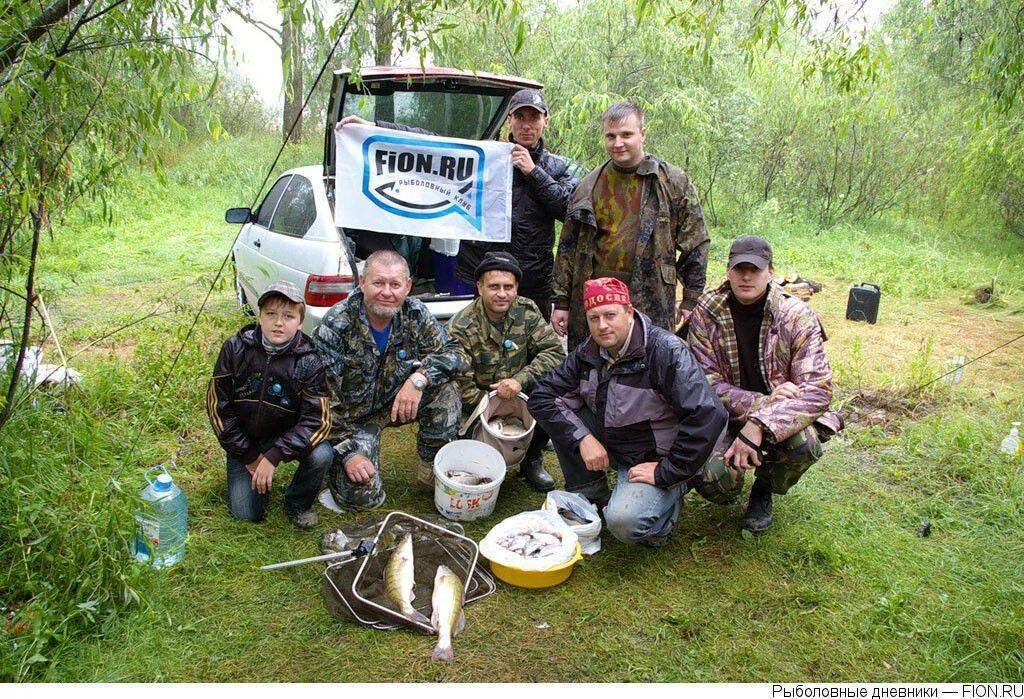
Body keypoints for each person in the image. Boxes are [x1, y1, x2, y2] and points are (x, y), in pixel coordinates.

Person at [335, 88, 578, 319]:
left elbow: (568, 210)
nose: (527, 125)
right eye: (520, 116)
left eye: (534, 117)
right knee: (484, 343)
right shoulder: (487, 155)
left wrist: (533, 171)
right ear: (509, 120)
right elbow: (432, 145)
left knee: (533, 346)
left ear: (545, 120)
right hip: (487, 275)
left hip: (533, 279)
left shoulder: (559, 167)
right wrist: (373, 128)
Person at [528, 278, 727, 546]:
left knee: (624, 524)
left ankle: (673, 498)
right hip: (616, 438)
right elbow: (542, 396)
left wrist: (667, 471)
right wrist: (583, 439)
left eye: (610, 315)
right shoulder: (588, 351)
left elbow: (708, 416)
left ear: (629, 312)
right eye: (593, 317)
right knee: (561, 414)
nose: (602, 325)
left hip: (659, 454)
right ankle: (591, 495)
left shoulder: (665, 351)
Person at [685, 236, 843, 534]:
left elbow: (818, 390)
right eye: (739, 268)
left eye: (755, 269)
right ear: (728, 271)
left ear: (770, 271)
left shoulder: (795, 315)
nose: (746, 276)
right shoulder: (707, 310)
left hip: (778, 419)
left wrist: (760, 424)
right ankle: (729, 476)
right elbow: (704, 383)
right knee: (713, 481)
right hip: (724, 415)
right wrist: (763, 402)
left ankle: (765, 488)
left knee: (804, 446)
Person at [312, 250, 465, 509]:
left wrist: (419, 378)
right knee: (362, 500)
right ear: (362, 283)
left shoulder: (415, 314)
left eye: (395, 284)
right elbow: (321, 399)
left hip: (395, 403)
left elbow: (456, 354)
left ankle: (432, 464)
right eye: (378, 283)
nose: (387, 292)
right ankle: (335, 465)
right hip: (352, 420)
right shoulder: (337, 324)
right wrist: (348, 453)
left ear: (407, 287)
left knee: (445, 389)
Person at [550, 101, 709, 348]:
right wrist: (561, 302)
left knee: (651, 362)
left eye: (626, 135)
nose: (618, 143)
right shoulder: (589, 186)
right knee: (593, 368)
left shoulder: (671, 182)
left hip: (651, 295)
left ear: (643, 134)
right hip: (597, 299)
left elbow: (696, 242)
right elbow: (568, 249)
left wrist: (690, 298)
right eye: (610, 136)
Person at [207, 281, 333, 528]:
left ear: (299, 322)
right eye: (271, 314)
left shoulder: (309, 361)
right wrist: (248, 455)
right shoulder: (234, 349)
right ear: (259, 316)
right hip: (246, 440)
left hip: (286, 438)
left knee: (322, 454)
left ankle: (297, 501)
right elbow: (218, 408)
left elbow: (318, 421)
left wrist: (274, 455)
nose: (278, 322)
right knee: (246, 514)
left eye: (288, 316)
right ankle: (256, 483)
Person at [447, 252, 566, 492]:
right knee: (475, 458)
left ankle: (531, 458)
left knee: (553, 389)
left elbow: (554, 353)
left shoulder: (526, 311)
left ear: (516, 288)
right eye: (494, 286)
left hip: (519, 391)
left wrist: (520, 381)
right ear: (480, 287)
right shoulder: (461, 326)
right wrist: (490, 408)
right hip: (477, 401)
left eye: (508, 287)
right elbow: (460, 381)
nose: (502, 294)